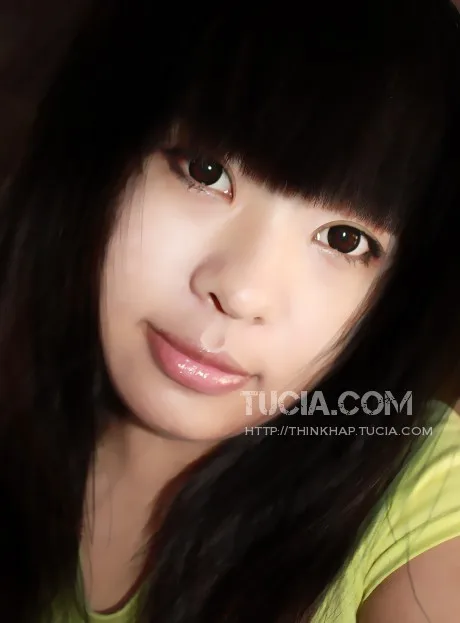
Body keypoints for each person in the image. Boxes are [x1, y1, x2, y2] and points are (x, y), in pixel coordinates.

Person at [0, 0, 459, 621]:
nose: (240, 293)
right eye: (206, 173)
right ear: (101, 158)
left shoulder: (423, 489)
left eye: (344, 240)